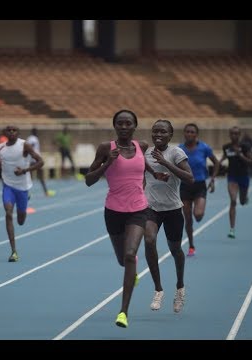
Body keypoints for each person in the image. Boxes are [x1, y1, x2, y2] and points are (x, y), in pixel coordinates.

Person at [85, 109, 148, 329]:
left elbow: (143, 170)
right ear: (115, 126)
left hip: (139, 210)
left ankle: (123, 312)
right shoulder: (105, 148)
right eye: (120, 123)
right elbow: (88, 180)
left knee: (130, 255)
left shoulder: (142, 147)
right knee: (123, 260)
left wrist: (153, 179)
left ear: (134, 126)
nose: (123, 127)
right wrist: (106, 164)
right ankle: (132, 271)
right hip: (113, 211)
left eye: (128, 123)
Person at [144, 119, 194, 314]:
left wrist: (165, 163)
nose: (158, 134)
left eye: (163, 132)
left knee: (175, 250)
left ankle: (180, 287)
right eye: (155, 131)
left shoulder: (176, 153)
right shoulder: (146, 153)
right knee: (149, 240)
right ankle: (158, 289)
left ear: (170, 135)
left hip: (173, 209)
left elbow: (190, 178)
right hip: (151, 208)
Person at [0, 125, 44, 262]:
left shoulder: (24, 145)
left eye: (14, 130)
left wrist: (25, 170)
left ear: (18, 133)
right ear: (5, 133)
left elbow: (41, 162)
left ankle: (26, 198)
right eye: (9, 130)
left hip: (22, 187)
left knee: (21, 220)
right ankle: (13, 251)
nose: (12, 132)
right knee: (8, 214)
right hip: (8, 186)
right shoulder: (0, 148)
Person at [178, 123, 220, 257]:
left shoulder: (204, 148)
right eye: (187, 132)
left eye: (192, 132)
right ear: (184, 133)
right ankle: (191, 245)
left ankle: (199, 212)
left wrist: (212, 179)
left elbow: (217, 162)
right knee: (188, 219)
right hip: (185, 187)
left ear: (196, 134)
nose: (190, 134)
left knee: (198, 215)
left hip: (200, 185)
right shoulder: (179, 149)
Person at [218, 126, 252, 239]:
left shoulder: (245, 147)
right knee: (233, 201)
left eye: (236, 134)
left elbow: (251, 162)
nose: (234, 135)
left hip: (244, 177)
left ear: (239, 135)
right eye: (232, 133)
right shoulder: (226, 147)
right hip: (232, 177)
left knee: (242, 201)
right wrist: (218, 164)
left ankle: (245, 197)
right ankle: (232, 229)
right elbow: (223, 158)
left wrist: (240, 155)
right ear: (229, 135)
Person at [26, 128, 55, 197]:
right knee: (40, 176)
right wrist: (33, 154)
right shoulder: (34, 138)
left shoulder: (29, 138)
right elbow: (31, 146)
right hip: (35, 159)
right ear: (35, 132)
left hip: (31, 159)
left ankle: (26, 192)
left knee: (29, 177)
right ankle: (45, 192)